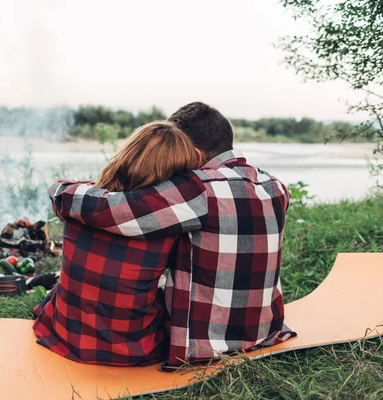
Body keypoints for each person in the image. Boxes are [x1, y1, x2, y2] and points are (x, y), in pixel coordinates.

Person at [49, 102, 295, 367]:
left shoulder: (198, 188)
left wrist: (62, 190)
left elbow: (111, 211)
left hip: (208, 343)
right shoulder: (274, 185)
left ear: (196, 155)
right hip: (264, 330)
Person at [33, 121, 201, 366]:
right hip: (131, 350)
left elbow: (61, 187)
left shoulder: (79, 204)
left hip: (64, 335)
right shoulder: (168, 225)